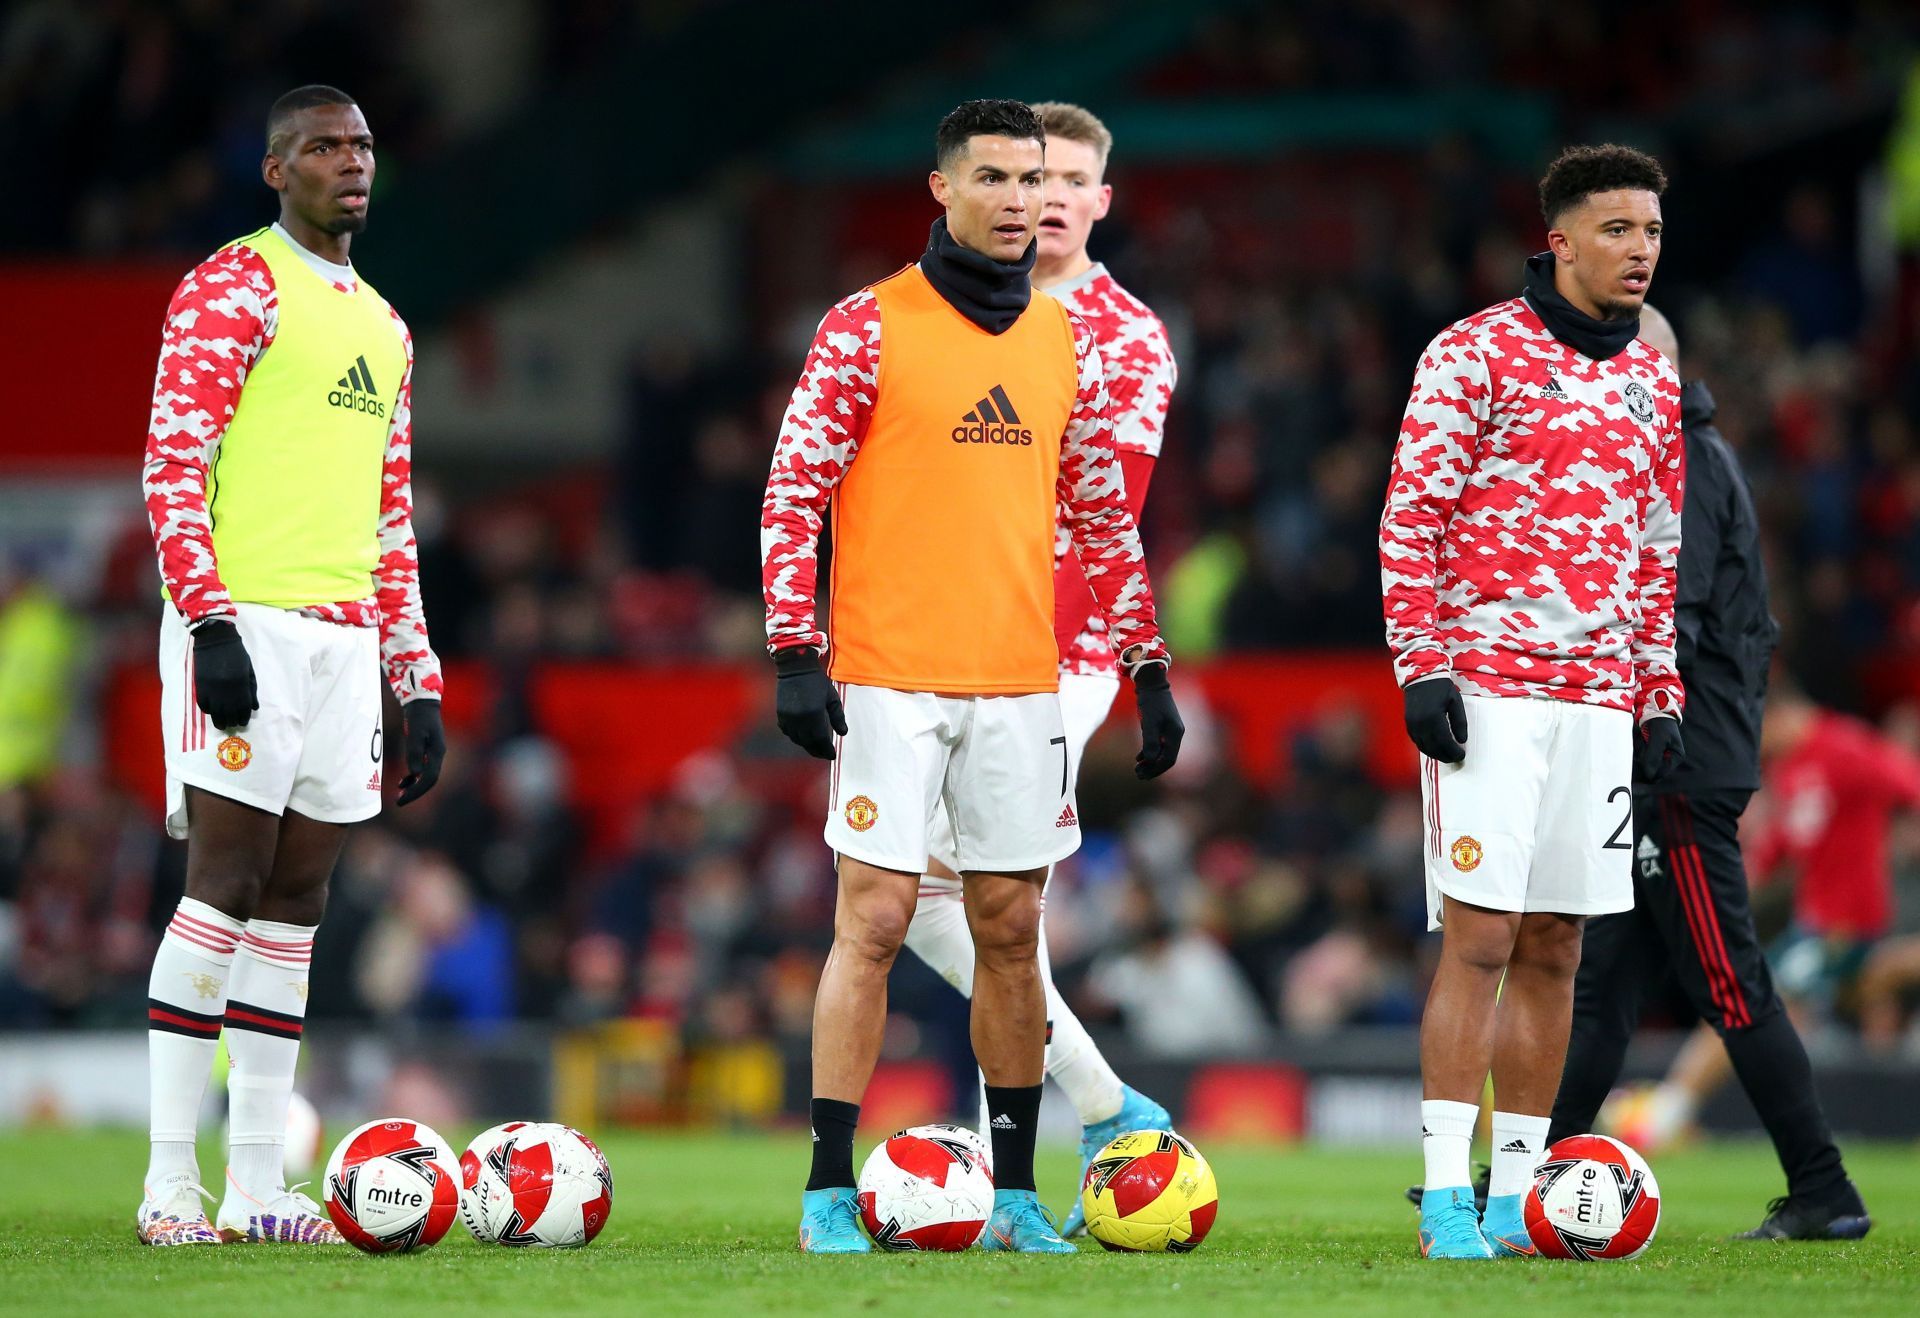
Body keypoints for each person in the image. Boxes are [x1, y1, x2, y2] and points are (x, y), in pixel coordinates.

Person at [760, 98, 1182, 1254]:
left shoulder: (1068, 339)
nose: (1018, 199)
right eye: (992, 177)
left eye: (1032, 179)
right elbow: (793, 492)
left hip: (1022, 682)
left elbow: (1103, 516)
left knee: (1008, 922)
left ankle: (1012, 1196)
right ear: (942, 191)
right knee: (879, 919)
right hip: (890, 673)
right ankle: (826, 1189)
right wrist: (794, 648)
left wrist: (1147, 665)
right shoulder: (866, 324)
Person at [138, 84, 445, 1246]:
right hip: (247, 619)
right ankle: (172, 1181)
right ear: (277, 171)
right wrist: (206, 617)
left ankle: (261, 1182)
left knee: (299, 901)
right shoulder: (232, 285)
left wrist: (413, 675)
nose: (350, 164)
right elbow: (176, 460)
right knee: (223, 877)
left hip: (347, 639)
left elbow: (388, 515)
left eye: (362, 146)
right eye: (323, 148)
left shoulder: (384, 322)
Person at [1379, 144, 1685, 1259]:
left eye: (1650, 231)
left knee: (1559, 946)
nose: (1639, 250)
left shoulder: (1652, 374)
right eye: (1616, 230)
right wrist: (1421, 665)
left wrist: (1658, 693)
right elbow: (1410, 516)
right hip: (1489, 689)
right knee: (1480, 939)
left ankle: (1516, 1192)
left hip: (1601, 700)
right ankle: (1444, 1194)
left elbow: (1656, 547)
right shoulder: (1472, 352)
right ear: (1558, 238)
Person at [897, 100, 1178, 1236]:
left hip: (1051, 647)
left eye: (1070, 179)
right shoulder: (947, 313)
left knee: (998, 898)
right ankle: (1105, 1100)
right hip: (932, 635)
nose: (1045, 196)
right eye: (1029, 176)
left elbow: (1105, 519)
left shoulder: (1125, 336)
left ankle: (995, 1166)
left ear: (1101, 201)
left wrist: (1036, 660)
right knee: (921, 895)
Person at [1547, 314, 1873, 1241]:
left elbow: (1669, 619)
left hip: (1675, 764)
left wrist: (1627, 731)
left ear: (1639, 365)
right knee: (1601, 984)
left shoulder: (1677, 463)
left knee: (1728, 984)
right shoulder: (1680, 454)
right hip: (1665, 756)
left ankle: (1824, 1189)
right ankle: (1527, 1178)